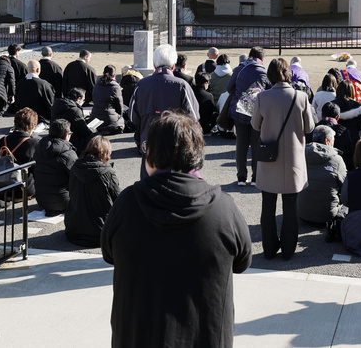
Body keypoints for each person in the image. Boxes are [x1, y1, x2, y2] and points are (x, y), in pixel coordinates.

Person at [102, 111, 252, 348]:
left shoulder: (127, 203)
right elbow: (243, 262)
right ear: (197, 154)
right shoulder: (224, 208)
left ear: (150, 153)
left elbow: (109, 253)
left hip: (137, 336)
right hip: (206, 337)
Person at [252, 57, 315, 260]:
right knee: (290, 208)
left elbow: (254, 124)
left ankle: (269, 249)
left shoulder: (262, 97)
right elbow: (309, 127)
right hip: (293, 160)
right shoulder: (301, 97)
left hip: (269, 157)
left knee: (267, 206)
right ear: (288, 74)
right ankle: (288, 250)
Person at [130, 44, 199, 171]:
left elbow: (133, 117)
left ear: (154, 65)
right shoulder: (182, 86)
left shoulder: (141, 85)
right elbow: (193, 117)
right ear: (173, 66)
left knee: (148, 184)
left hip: (148, 142)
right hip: (175, 144)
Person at [65, 135, 120, 247]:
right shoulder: (107, 172)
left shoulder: (75, 167)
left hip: (74, 230)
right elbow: (118, 199)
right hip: (101, 232)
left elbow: (71, 191)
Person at [227, 47, 269, 186]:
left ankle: (241, 177)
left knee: (241, 144)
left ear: (250, 56)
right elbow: (270, 89)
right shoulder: (264, 72)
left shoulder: (240, 69)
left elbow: (228, 88)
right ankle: (255, 177)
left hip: (239, 111)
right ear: (262, 59)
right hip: (257, 113)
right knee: (256, 144)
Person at [298, 125, 347, 226]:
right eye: (333, 140)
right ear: (326, 141)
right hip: (327, 216)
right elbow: (346, 188)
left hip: (301, 213)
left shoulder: (300, 154)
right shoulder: (337, 160)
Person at [32, 119, 77, 215]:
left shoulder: (40, 147)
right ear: (66, 135)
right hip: (64, 202)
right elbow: (77, 176)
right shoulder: (69, 154)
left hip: (42, 201)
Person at [0, 107, 38, 199]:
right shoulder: (34, 142)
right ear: (33, 125)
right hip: (25, 188)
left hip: (5, 185)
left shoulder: (4, 140)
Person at [53, 88, 93, 154]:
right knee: (94, 137)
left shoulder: (57, 105)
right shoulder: (75, 111)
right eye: (83, 100)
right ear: (79, 99)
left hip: (57, 137)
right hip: (72, 140)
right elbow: (84, 131)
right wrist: (92, 130)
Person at [90, 65, 126, 135]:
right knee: (121, 122)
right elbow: (119, 105)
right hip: (110, 118)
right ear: (114, 75)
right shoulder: (115, 87)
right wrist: (120, 116)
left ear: (103, 73)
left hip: (95, 116)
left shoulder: (97, 84)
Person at [192, 70, 217, 134]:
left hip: (191, 125)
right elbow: (211, 112)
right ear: (205, 83)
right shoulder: (209, 96)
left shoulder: (190, 91)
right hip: (204, 127)